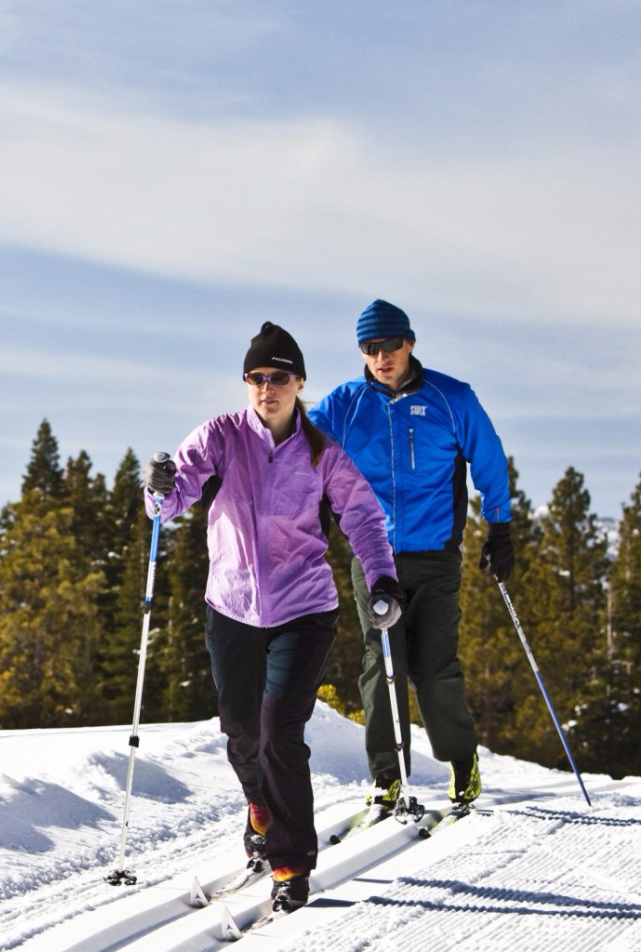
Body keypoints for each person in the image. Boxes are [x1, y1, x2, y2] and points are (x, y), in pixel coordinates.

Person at [143, 321, 399, 914]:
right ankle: (258, 808)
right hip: (231, 605)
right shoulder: (221, 437)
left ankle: (290, 863)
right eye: (256, 378)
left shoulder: (320, 451)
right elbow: (175, 494)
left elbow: (361, 516)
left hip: (303, 608)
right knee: (241, 734)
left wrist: (382, 576)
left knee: (280, 729)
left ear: (299, 382)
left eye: (278, 377)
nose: (266, 387)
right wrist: (157, 489)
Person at [308, 298, 514, 812]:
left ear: (410, 343)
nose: (381, 356)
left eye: (389, 346)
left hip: (437, 553)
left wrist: (501, 527)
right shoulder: (345, 404)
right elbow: (294, 445)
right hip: (371, 554)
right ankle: (387, 776)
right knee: (382, 662)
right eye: (369, 348)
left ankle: (461, 761)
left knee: (433, 665)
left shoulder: (452, 398)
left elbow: (488, 459)